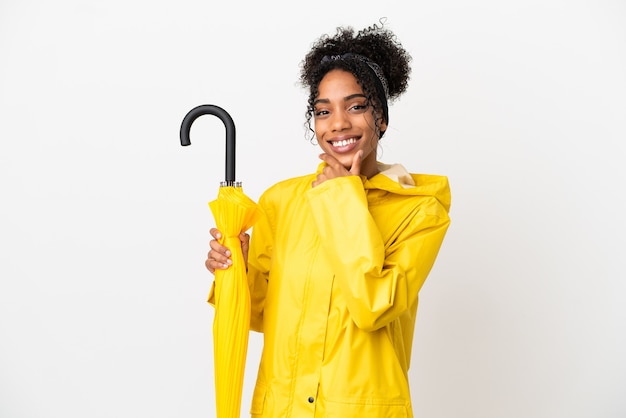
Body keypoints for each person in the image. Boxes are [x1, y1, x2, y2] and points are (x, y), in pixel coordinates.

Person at [205, 21, 451, 418]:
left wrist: (342, 197)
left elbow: (374, 306)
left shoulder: (420, 210)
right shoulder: (282, 201)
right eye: (323, 111)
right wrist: (235, 273)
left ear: (382, 118)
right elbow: (263, 314)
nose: (337, 123)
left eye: (355, 106)